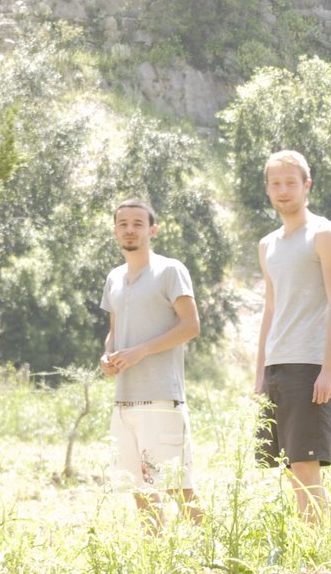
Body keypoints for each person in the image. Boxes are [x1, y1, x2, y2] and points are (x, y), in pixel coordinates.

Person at [253, 150, 331, 521]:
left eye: (291, 182)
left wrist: (329, 368)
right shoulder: (267, 244)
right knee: (292, 469)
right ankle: (307, 548)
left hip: (309, 365)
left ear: (306, 185)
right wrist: (260, 374)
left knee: (307, 468)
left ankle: (318, 553)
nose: (283, 190)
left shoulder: (324, 234)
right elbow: (271, 309)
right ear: (267, 189)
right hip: (277, 366)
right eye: (275, 183)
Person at [100, 198, 203, 532]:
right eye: (123, 223)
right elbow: (115, 331)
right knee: (139, 489)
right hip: (124, 401)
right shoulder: (114, 278)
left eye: (137, 224)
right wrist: (108, 355)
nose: (130, 229)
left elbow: (191, 326)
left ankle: (214, 560)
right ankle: (155, 560)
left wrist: (141, 351)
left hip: (161, 399)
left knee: (177, 486)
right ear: (115, 230)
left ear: (152, 230)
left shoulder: (170, 271)